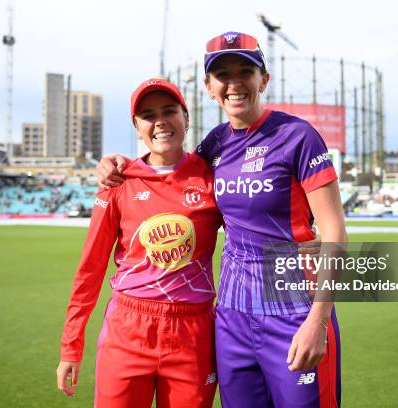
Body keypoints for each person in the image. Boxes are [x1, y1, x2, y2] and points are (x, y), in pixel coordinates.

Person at [97, 31, 347, 408]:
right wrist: (118, 165)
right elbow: (169, 175)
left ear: (263, 79)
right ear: (209, 87)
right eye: (222, 74)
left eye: (245, 70)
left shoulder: (297, 136)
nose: (234, 83)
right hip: (231, 319)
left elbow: (334, 232)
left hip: (294, 311)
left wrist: (317, 320)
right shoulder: (215, 144)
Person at [57, 78, 221, 408]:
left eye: (169, 111)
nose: (159, 121)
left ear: (186, 118)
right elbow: (90, 269)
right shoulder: (118, 182)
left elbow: (252, 233)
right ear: (137, 127)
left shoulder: (212, 178)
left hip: (194, 333)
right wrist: (70, 345)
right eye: (148, 115)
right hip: (128, 330)